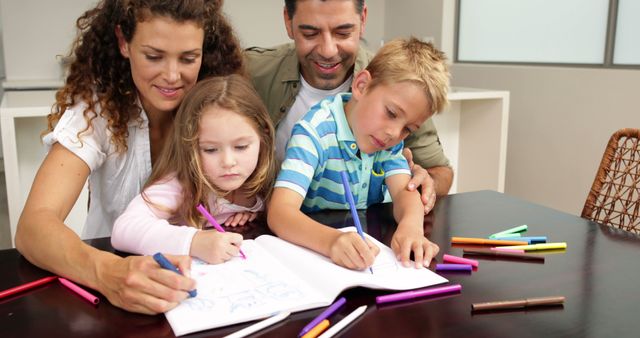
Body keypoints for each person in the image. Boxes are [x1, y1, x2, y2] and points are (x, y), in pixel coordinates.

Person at [14, 0, 244, 314]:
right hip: (112, 284)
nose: (173, 76)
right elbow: (33, 227)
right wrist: (107, 272)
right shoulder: (97, 112)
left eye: (189, 58)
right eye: (154, 56)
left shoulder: (218, 105)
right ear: (124, 42)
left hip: (206, 284)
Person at [246, 0, 453, 214]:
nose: (328, 50)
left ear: (362, 19)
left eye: (343, 33)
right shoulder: (249, 72)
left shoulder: (400, 82)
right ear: (288, 22)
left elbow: (441, 172)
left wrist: (421, 185)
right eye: (310, 33)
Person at [268, 37, 449, 271]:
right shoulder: (313, 133)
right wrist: (331, 242)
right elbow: (280, 212)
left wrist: (411, 228)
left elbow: (406, 193)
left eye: (408, 129)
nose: (394, 133)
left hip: (368, 253)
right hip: (316, 256)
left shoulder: (389, 142)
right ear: (362, 85)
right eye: (391, 113)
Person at [111, 75, 276, 264]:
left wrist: (256, 216)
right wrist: (195, 242)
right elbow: (124, 229)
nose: (228, 162)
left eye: (241, 147)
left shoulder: (267, 185)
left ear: (263, 137)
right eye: (210, 150)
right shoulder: (180, 185)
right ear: (189, 147)